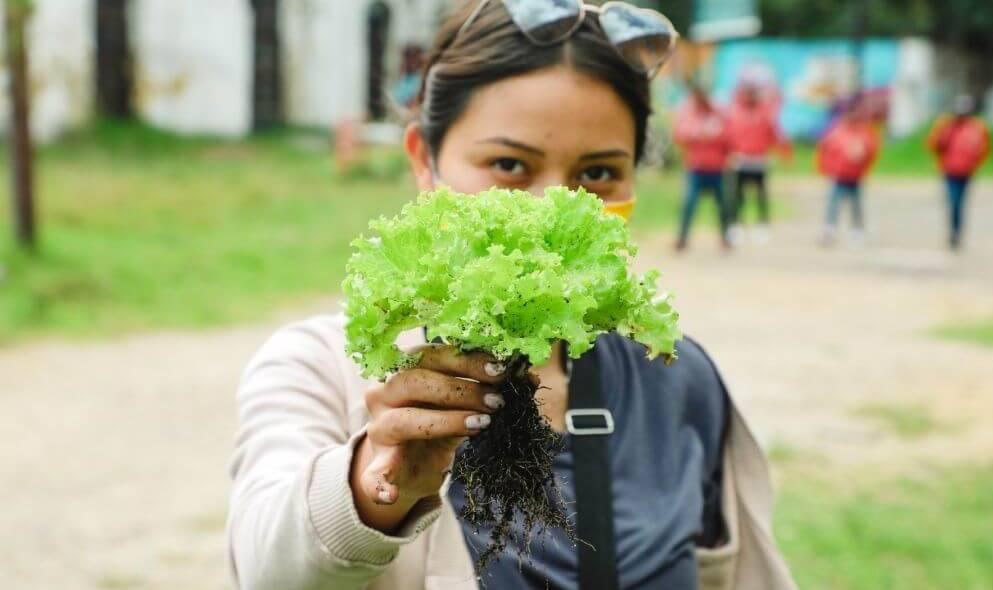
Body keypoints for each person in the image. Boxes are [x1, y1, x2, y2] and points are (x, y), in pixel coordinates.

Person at [226, 2, 798, 589]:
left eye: (598, 174)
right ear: (425, 162)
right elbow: (268, 570)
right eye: (509, 164)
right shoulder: (319, 369)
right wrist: (369, 489)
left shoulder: (679, 381)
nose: (554, 207)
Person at [725, 82, 790, 245]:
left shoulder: (764, 113)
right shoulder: (735, 113)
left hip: (758, 161)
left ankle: (762, 225)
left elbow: (774, 133)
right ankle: (736, 225)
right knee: (738, 196)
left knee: (761, 196)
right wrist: (726, 154)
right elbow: (727, 136)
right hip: (739, 161)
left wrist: (784, 153)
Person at [926, 95, 992, 251]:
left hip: (967, 172)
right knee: (953, 202)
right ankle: (953, 232)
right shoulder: (946, 126)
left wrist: (975, 164)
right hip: (950, 171)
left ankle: (957, 232)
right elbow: (934, 144)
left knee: (961, 204)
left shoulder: (977, 128)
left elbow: (983, 149)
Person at [672, 83, 732, 252]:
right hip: (696, 168)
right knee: (689, 204)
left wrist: (713, 135)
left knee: (723, 205)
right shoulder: (689, 113)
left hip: (717, 168)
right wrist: (699, 133)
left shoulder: (719, 114)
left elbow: (728, 137)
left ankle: (726, 237)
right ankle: (682, 238)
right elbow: (680, 134)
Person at [817, 99, 881, 246]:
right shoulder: (837, 131)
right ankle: (829, 230)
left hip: (855, 175)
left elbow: (872, 151)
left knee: (855, 204)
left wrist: (863, 155)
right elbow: (826, 149)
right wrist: (825, 168)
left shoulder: (865, 132)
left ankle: (856, 231)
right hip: (839, 174)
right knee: (834, 202)